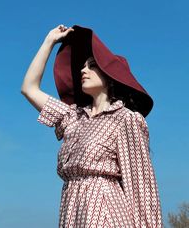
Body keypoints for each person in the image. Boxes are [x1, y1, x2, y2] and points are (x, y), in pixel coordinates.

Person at [21, 24, 163, 228]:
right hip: (72, 211)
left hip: (107, 212)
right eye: (83, 66)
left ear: (109, 76)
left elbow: (141, 186)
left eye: (92, 65)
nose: (83, 70)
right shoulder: (73, 118)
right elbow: (29, 89)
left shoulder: (125, 119)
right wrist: (49, 41)